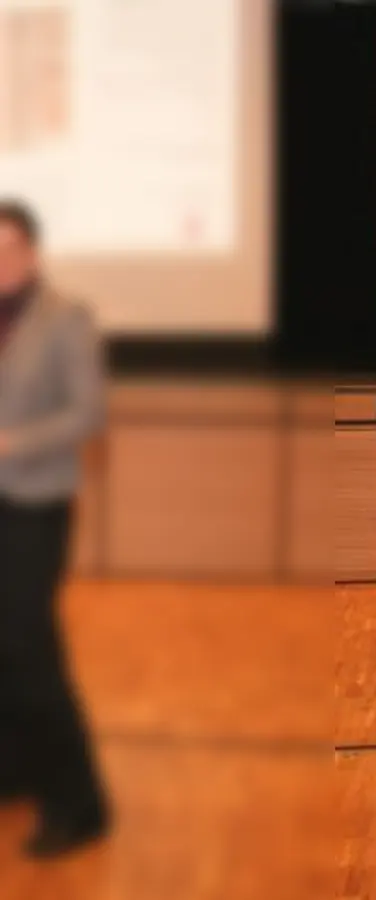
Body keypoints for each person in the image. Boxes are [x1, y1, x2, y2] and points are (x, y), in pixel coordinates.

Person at [0, 198, 111, 858]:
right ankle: (13, 771)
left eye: (9, 251)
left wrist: (10, 443)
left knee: (29, 650)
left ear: (33, 255)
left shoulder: (66, 319)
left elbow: (87, 415)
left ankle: (80, 805)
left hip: (36, 506)